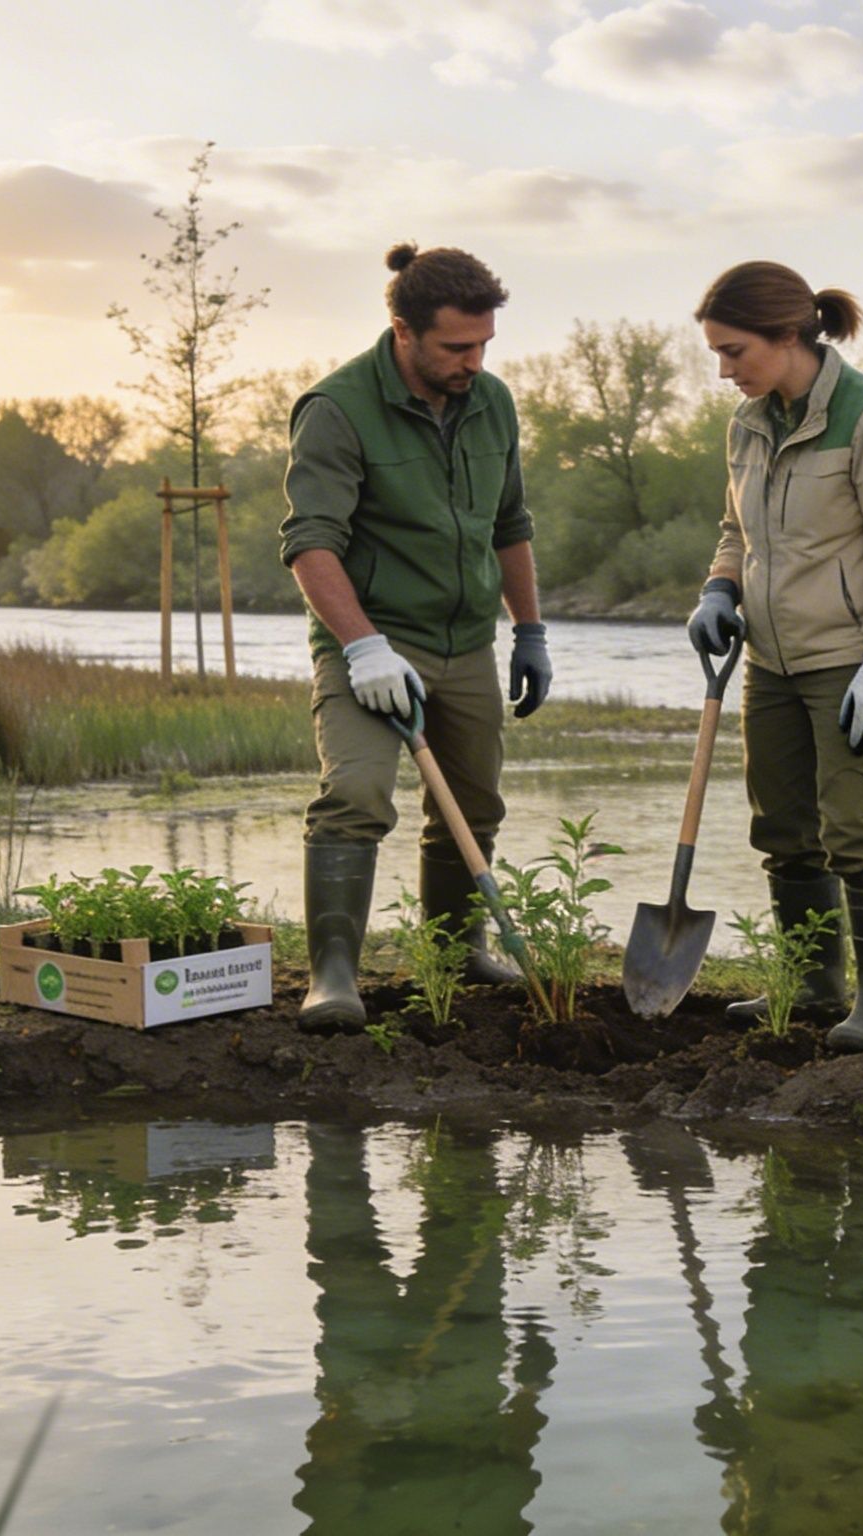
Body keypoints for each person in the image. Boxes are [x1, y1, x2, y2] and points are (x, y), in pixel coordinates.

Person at [280, 243, 551, 1032]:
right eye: (456, 347)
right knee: (355, 797)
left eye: (484, 345)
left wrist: (528, 631)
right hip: (368, 643)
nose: (473, 362)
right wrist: (363, 647)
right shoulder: (336, 409)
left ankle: (454, 954)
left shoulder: (492, 403)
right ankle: (333, 975)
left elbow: (511, 525)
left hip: (465, 642)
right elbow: (311, 543)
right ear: (402, 332)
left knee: (474, 806)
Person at [688, 260, 863, 1052]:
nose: (725, 371)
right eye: (718, 356)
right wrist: (719, 589)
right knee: (784, 832)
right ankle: (810, 985)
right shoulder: (750, 423)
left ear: (789, 336)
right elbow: (738, 529)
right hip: (771, 667)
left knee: (861, 832)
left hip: (854, 665)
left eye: (735, 353)